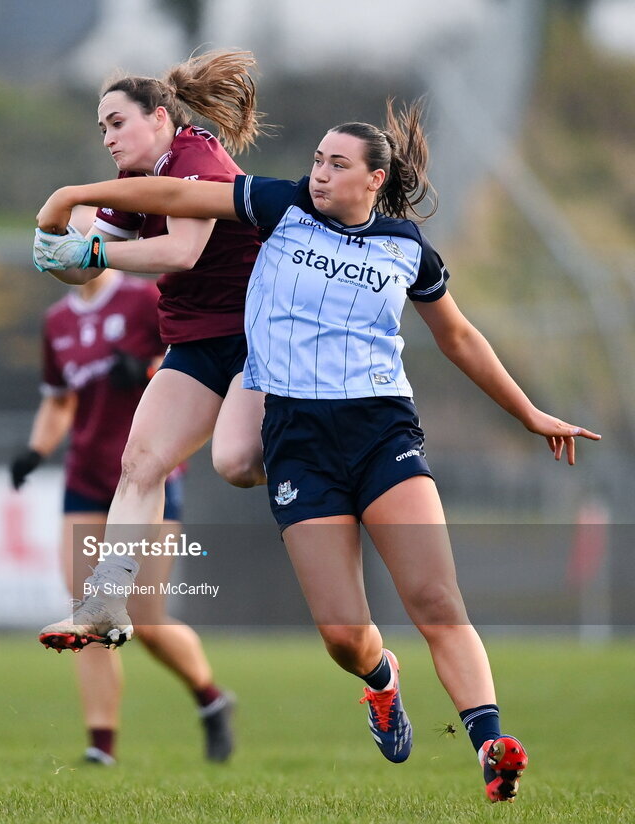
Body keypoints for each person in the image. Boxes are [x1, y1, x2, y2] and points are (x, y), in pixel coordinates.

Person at [33, 99, 601, 802]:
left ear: (375, 178)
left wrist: (528, 413)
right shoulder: (282, 206)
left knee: (435, 598)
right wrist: (79, 195)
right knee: (342, 637)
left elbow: (459, 338)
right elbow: (178, 194)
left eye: (337, 164)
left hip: (384, 435)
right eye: (317, 160)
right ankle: (381, 680)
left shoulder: (407, 248)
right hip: (300, 446)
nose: (320, 173)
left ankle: (491, 745)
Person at [32, 49, 271, 655]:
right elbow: (86, 269)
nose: (109, 137)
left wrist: (88, 250)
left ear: (160, 118)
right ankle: (108, 601)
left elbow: (180, 252)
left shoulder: (195, 155)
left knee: (238, 465)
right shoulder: (136, 184)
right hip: (193, 342)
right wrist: (58, 246)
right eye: (102, 128)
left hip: (257, 341)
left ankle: (330, 454)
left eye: (117, 122)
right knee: (140, 462)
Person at [12, 226, 234, 764]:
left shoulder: (145, 299)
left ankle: (209, 698)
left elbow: (198, 363)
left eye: (80, 232)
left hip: (147, 478)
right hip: (86, 479)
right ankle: (101, 747)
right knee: (86, 614)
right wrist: (36, 450)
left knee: (149, 621)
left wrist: (149, 367)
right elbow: (59, 401)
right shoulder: (57, 322)